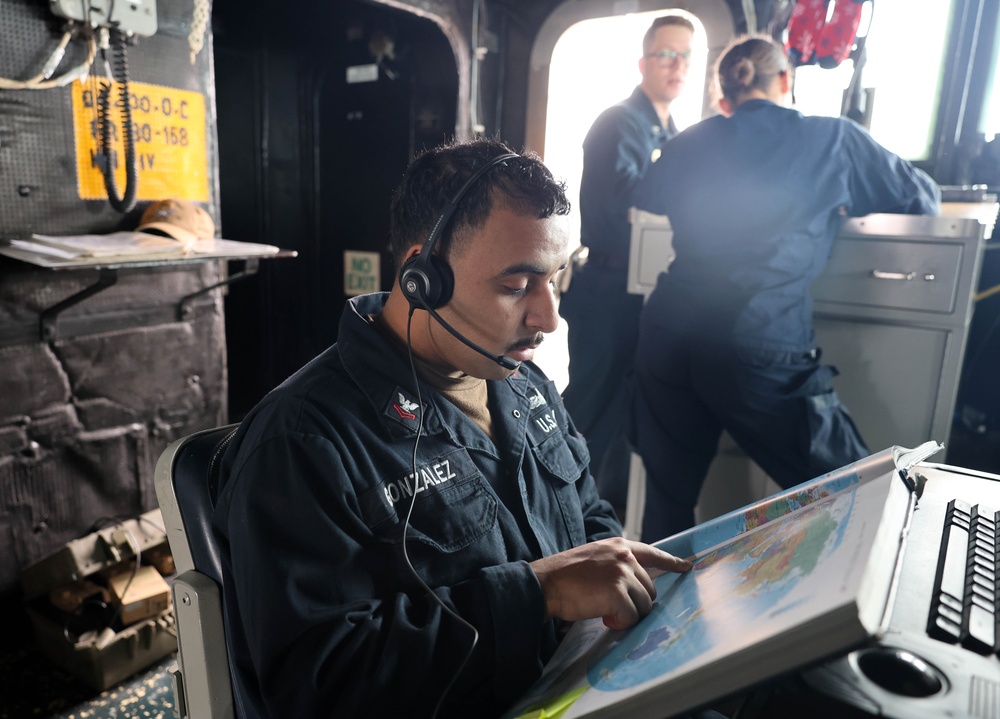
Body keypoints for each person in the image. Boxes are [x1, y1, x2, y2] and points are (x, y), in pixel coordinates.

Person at [211, 138, 693, 719]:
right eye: (517, 287)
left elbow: (589, 521)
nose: (548, 317)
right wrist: (537, 594)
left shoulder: (525, 387)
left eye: (555, 279)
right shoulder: (303, 443)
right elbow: (320, 686)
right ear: (423, 277)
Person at [629, 35, 941, 542]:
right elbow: (920, 199)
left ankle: (646, 613)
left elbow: (647, 193)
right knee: (859, 488)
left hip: (668, 336)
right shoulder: (833, 140)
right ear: (786, 82)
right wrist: (832, 199)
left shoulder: (690, 141)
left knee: (666, 511)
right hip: (757, 340)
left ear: (724, 97)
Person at [559, 14, 696, 510]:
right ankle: (554, 530)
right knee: (590, 420)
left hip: (639, 293)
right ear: (643, 63)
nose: (676, 65)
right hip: (608, 289)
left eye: (685, 55)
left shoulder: (671, 130)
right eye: (666, 54)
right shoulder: (620, 122)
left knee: (620, 427)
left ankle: (596, 529)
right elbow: (626, 209)